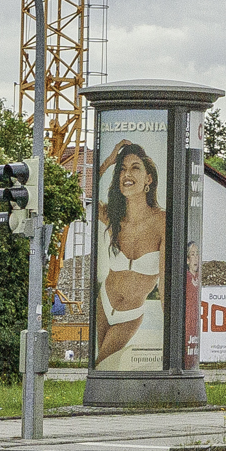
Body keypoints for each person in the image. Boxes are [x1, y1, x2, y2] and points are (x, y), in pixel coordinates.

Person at [95, 140, 166, 368]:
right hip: (104, 301)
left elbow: (165, 282)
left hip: (130, 314)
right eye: (122, 169)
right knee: (103, 369)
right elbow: (78, 194)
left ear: (148, 179)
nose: (127, 174)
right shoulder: (113, 217)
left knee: (103, 365)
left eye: (135, 168)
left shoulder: (162, 221)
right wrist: (108, 162)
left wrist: (171, 331)